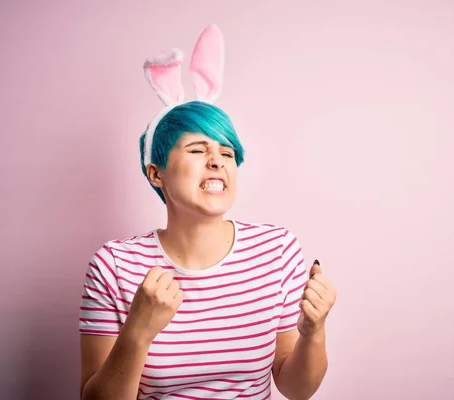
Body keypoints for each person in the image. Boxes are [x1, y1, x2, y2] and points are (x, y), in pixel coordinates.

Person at [78, 24, 337, 400]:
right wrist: (138, 330)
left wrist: (314, 332)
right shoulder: (114, 266)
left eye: (228, 153)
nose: (217, 161)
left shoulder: (277, 250)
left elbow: (297, 389)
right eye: (198, 150)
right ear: (156, 173)